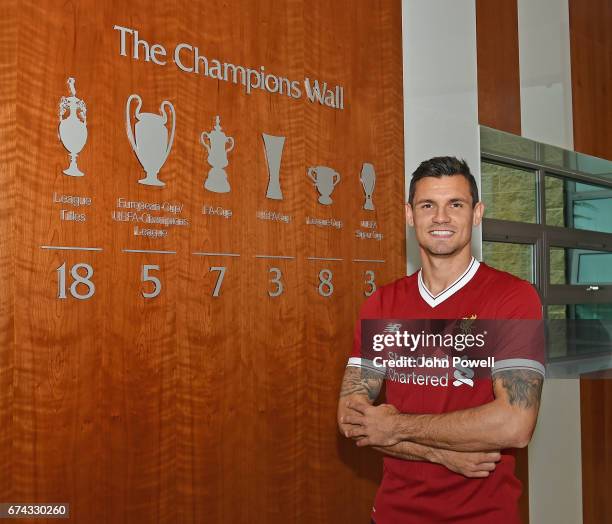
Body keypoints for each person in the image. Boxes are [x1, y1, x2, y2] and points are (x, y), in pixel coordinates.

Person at [337, 156, 544, 524]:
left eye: (456, 204)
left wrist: (396, 428)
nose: (441, 217)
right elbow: (352, 418)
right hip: (391, 515)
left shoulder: (512, 298)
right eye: (428, 205)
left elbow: (514, 424)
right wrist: (439, 453)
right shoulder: (382, 303)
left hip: (481, 516)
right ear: (409, 214)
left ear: (477, 213)